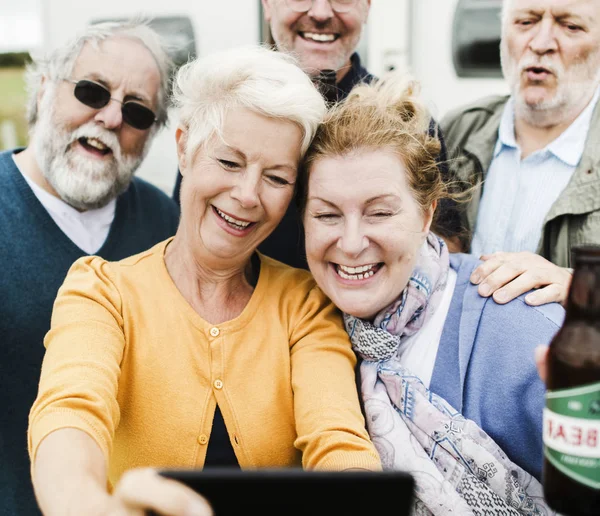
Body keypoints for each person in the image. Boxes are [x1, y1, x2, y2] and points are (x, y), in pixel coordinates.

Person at [27, 45, 382, 516]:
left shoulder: (303, 304)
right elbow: (68, 414)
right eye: (230, 163)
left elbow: (339, 441)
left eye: (276, 177)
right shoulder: (102, 292)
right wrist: (84, 504)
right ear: (184, 149)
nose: (247, 195)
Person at [299, 72, 564, 513]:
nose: (349, 242)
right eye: (326, 215)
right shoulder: (302, 327)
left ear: (427, 216)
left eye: (379, 212)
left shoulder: (520, 326)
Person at [0, 21, 180, 516]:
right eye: (91, 91)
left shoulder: (165, 223)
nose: (111, 117)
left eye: (138, 111)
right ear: (42, 89)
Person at [171, 0, 461, 269]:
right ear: (268, 4)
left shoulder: (405, 120)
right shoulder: (227, 108)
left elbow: (443, 253)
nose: (321, 12)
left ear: (368, 6)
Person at [442, 0, 600, 308]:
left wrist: (575, 286)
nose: (540, 44)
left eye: (570, 26)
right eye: (525, 22)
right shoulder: (456, 130)